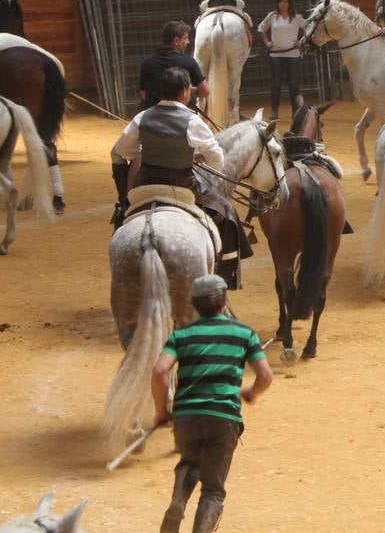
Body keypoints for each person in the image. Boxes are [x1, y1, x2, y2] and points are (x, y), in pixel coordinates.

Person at [151, 274, 273, 533]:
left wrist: (162, 412)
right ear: (225, 300)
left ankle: (177, 501)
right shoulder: (244, 333)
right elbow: (265, 375)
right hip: (223, 416)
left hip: (186, 416)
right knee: (213, 491)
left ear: (194, 304)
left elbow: (160, 372)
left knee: (190, 462)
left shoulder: (181, 335)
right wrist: (251, 393)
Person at [111, 67, 247, 286]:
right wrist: (195, 156)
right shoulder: (192, 121)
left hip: (146, 186)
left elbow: (123, 151)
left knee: (122, 216)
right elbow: (216, 159)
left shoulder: (142, 118)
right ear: (185, 91)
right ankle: (226, 276)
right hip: (183, 187)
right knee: (227, 212)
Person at [257, 0, 307, 120]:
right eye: (280, 1)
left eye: (285, 1)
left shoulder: (297, 17)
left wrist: (301, 42)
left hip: (293, 55)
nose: (282, 4)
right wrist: (267, 42)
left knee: (293, 83)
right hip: (275, 55)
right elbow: (261, 29)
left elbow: (309, 28)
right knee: (276, 84)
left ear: (290, 3)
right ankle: (274, 110)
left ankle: (295, 111)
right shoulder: (272, 16)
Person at [138, 21, 210, 110]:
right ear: (176, 41)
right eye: (185, 38)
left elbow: (143, 93)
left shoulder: (147, 63)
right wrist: (190, 90)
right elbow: (205, 91)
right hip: (181, 117)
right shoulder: (189, 62)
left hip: (153, 116)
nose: (188, 42)